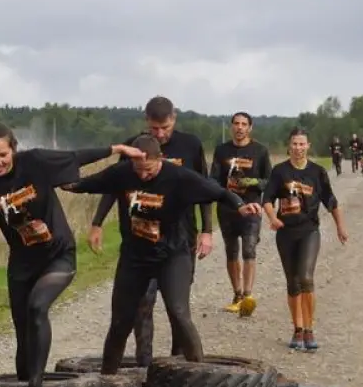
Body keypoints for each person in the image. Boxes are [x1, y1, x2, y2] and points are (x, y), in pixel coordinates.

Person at [0, 124, 144, 387]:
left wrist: (116, 149)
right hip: (22, 263)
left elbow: (75, 156)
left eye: (3, 155)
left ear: (13, 150)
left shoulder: (35, 163)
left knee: (37, 306)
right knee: (23, 332)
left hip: (58, 255)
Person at [62, 134, 261, 373]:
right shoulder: (123, 173)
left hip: (172, 255)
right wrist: (62, 182)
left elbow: (217, 192)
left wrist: (240, 205)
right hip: (135, 258)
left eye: (148, 170)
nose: (143, 176)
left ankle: (201, 376)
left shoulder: (178, 176)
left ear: (160, 159)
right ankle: (108, 380)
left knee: (178, 313)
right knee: (120, 322)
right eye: (138, 170)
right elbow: (87, 184)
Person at [86, 96, 212, 366]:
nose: (160, 134)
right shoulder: (133, 147)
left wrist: (207, 231)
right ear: (146, 122)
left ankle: (181, 367)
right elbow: (112, 186)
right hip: (140, 239)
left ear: (174, 119)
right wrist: (97, 222)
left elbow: (204, 189)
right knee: (141, 307)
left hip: (180, 239)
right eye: (155, 128)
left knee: (177, 309)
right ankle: (144, 366)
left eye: (164, 128)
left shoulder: (190, 145)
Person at [263, 127, 348, 352]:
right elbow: (267, 198)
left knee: (306, 278)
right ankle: (297, 329)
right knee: (293, 283)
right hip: (286, 232)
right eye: (295, 144)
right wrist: (272, 217)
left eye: (302, 144)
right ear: (289, 146)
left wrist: (340, 226)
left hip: (309, 230)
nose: (298, 148)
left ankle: (310, 329)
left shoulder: (318, 172)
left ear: (308, 146)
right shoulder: (280, 171)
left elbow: (330, 200)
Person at [210, 112, 271, 316]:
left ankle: (247, 296)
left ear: (250, 128)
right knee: (231, 251)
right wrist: (222, 191)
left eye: (244, 124)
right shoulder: (221, 150)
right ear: (231, 127)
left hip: (252, 206)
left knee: (249, 250)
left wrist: (252, 182)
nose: (240, 127)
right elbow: (214, 180)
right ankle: (236, 294)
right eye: (236, 123)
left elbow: (268, 181)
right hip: (227, 208)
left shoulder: (260, 151)